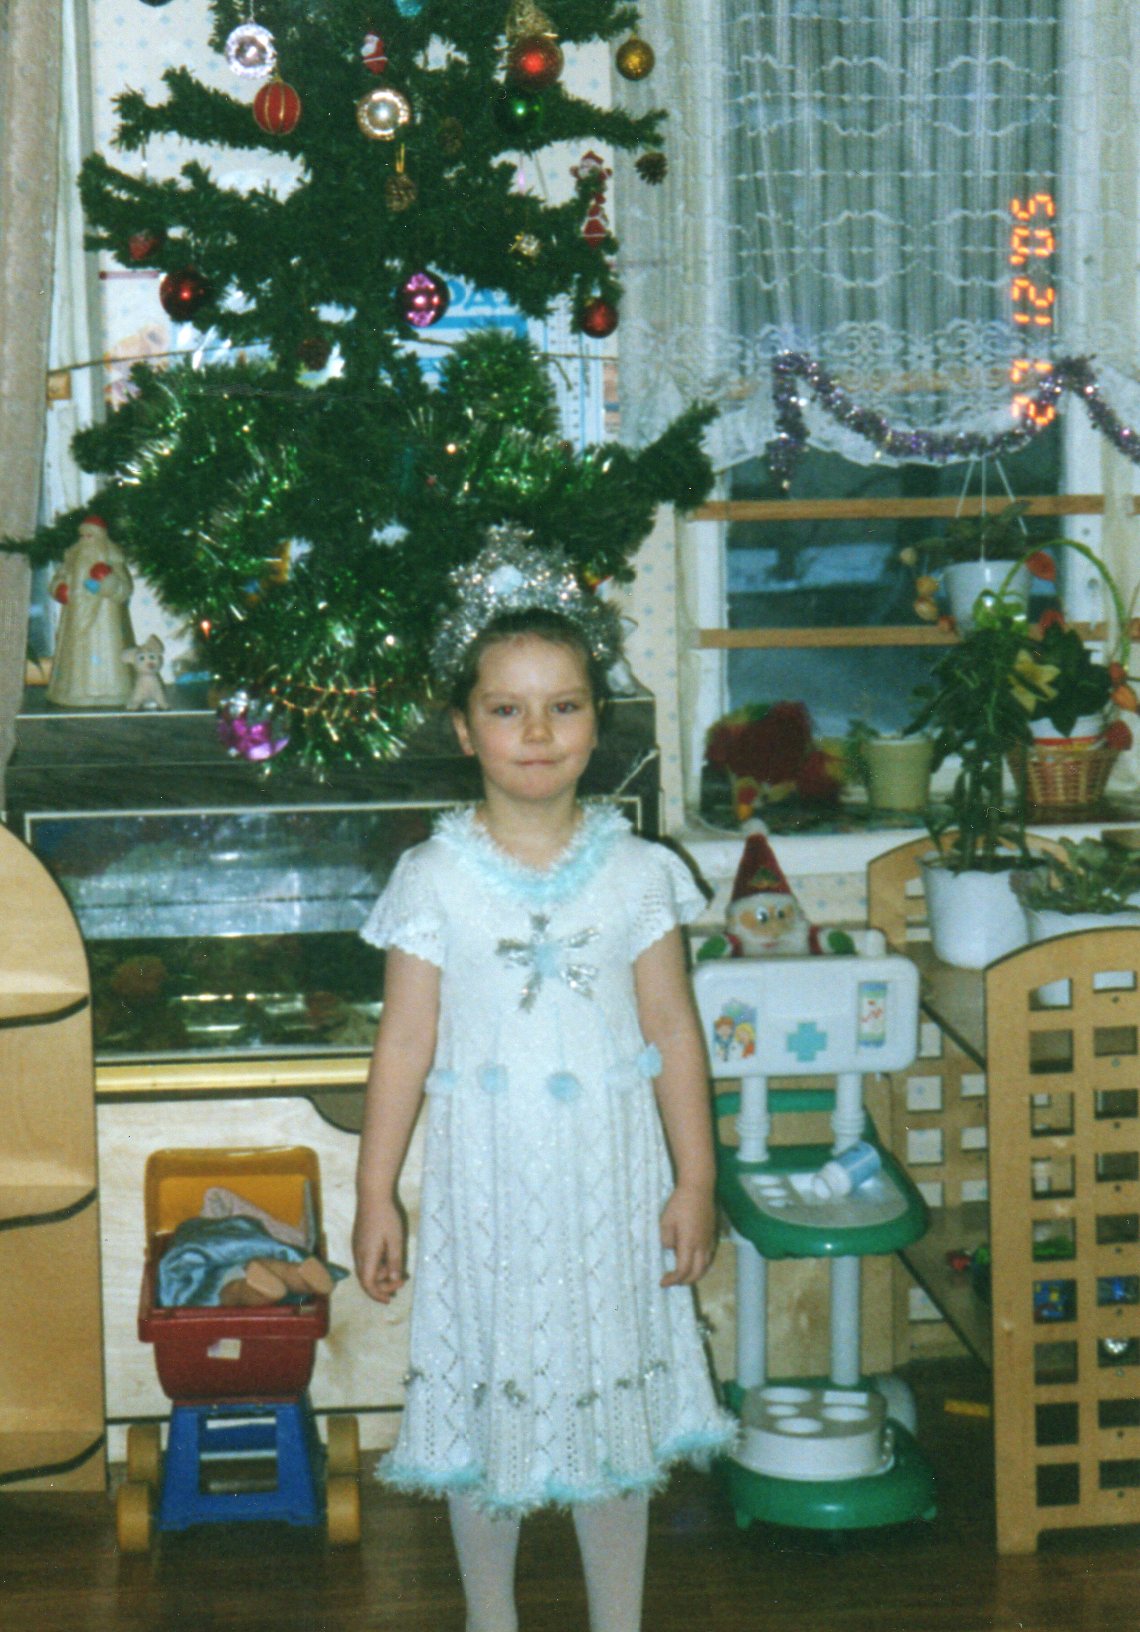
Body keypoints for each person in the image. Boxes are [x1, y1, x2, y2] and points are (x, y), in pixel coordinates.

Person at [354, 531, 735, 1632]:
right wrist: (376, 1194)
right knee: (494, 1406)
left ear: (595, 722)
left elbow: (673, 1027)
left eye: (563, 707)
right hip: (488, 1197)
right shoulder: (433, 877)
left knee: (613, 1412)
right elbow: (403, 1045)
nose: (536, 733)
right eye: (507, 709)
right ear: (463, 726)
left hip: (612, 1189)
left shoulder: (640, 874)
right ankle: (492, 1616)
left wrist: (696, 1180)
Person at [47, 514, 135, 707]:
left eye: (91, 535)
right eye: (83, 535)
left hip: (105, 621)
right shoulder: (72, 558)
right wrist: (59, 588)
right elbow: (58, 578)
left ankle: (110, 690)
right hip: (74, 620)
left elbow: (124, 589)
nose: (86, 539)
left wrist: (108, 583)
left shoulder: (112, 559)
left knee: (107, 653)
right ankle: (72, 690)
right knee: (75, 656)